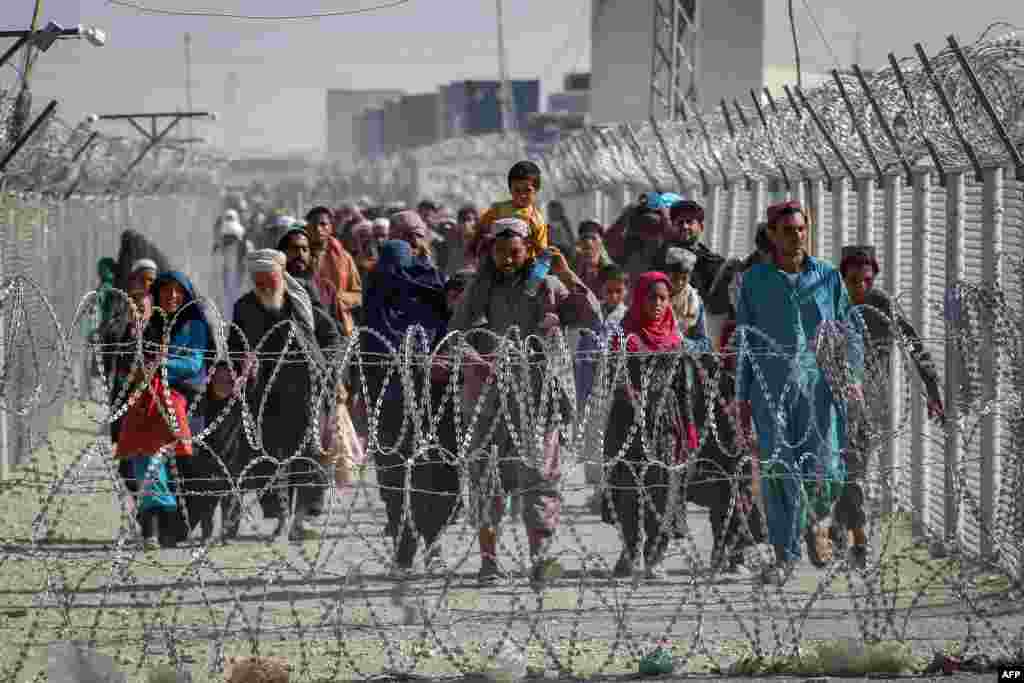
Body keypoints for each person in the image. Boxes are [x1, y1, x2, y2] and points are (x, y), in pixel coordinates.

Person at [449, 217, 600, 589]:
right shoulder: (479, 290)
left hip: (539, 398)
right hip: (489, 398)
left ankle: (539, 558)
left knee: (541, 480)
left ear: (528, 251)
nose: (506, 259)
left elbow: (591, 316)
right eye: (499, 252)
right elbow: (456, 335)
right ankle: (488, 561)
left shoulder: (549, 287)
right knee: (486, 478)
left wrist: (567, 274)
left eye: (514, 252)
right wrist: (475, 360)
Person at [733, 200, 863, 585]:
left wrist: (850, 376)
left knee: (828, 471)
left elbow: (847, 328)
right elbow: (744, 342)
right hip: (771, 391)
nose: (797, 236)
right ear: (772, 234)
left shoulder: (827, 277)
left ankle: (812, 521)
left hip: (819, 389)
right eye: (788, 230)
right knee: (779, 474)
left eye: (802, 229)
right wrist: (741, 397)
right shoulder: (754, 281)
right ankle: (784, 555)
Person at [836, 245, 944, 568]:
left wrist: (933, 390)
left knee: (853, 473)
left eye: (866, 280)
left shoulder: (881, 305)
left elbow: (914, 344)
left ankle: (858, 540)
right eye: (853, 280)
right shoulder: (833, 304)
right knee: (837, 473)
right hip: (832, 401)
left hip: (868, 404)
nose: (860, 287)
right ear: (844, 278)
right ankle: (844, 526)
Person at [216, 249, 335, 542]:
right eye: (257, 281)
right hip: (265, 396)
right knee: (269, 459)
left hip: (304, 392)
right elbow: (234, 345)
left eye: (269, 279)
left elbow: (330, 335)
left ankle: (300, 518)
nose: (264, 286)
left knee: (308, 456)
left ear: (280, 277)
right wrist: (237, 365)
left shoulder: (299, 301)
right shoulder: (244, 307)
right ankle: (281, 518)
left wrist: (327, 364)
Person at [361, 240, 458, 577]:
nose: (395, 277)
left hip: (433, 405)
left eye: (401, 268)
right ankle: (405, 552)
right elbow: (370, 350)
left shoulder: (429, 300)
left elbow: (448, 334)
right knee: (394, 483)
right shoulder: (375, 302)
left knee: (433, 479)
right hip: (389, 408)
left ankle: (433, 544)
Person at [601, 272, 700, 580]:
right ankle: (631, 550)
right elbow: (611, 379)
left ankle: (655, 556)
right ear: (639, 298)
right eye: (651, 297)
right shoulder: (623, 336)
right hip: (628, 423)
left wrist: (690, 428)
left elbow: (684, 386)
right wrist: (632, 396)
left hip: (666, 423)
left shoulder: (675, 338)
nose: (657, 304)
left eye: (662, 298)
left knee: (664, 490)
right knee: (631, 490)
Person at [115, 270, 209, 550]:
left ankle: (177, 527)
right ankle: (151, 529)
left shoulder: (195, 325)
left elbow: (193, 363)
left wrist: (159, 365)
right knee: (144, 461)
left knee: (186, 469)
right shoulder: (148, 323)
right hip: (145, 402)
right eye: (166, 290)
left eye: (178, 291)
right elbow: (128, 361)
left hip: (185, 401)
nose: (172, 296)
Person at [306, 206, 362, 337]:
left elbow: (357, 295)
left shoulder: (344, 258)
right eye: (313, 225)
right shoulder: (300, 256)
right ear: (307, 228)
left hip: (340, 325)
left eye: (323, 224)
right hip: (309, 325)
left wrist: (336, 298)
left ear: (331, 227)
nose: (318, 229)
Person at [663, 247, 711, 354]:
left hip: (684, 362)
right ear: (667, 273)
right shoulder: (657, 297)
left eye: (684, 278)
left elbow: (704, 344)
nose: (679, 283)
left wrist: (683, 344)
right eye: (675, 277)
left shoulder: (695, 301)